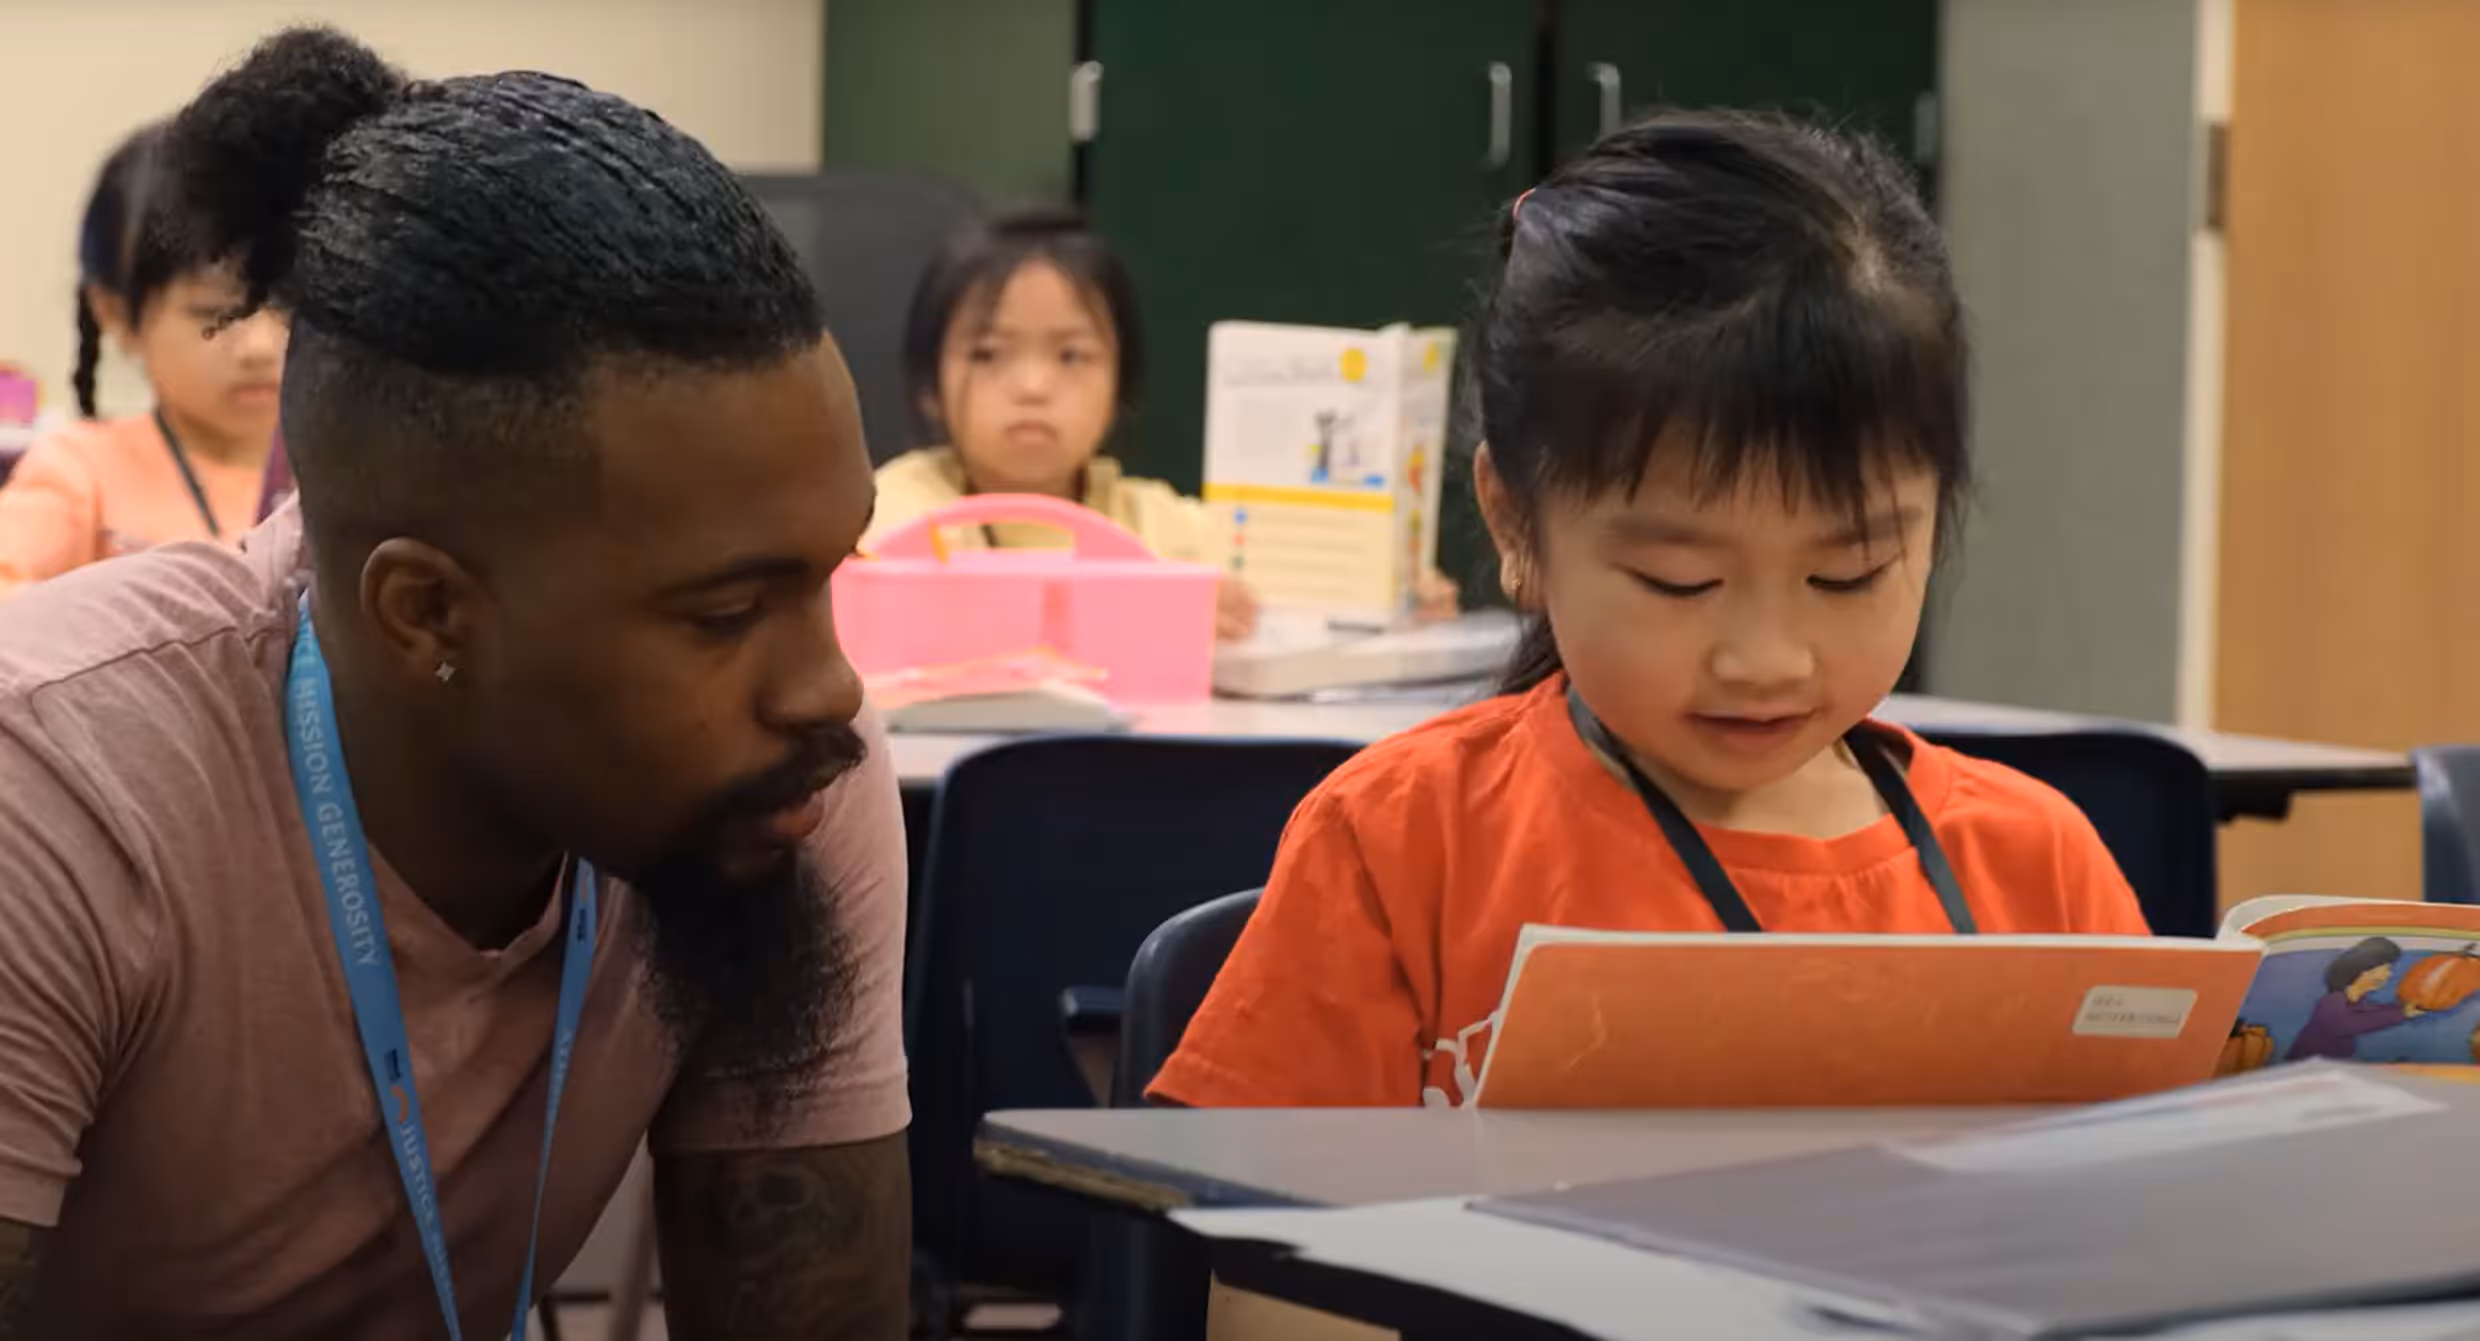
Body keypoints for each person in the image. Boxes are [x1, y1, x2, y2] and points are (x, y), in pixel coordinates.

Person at [0, 27, 907, 1339]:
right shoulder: (56, 792)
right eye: (724, 613)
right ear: (425, 610)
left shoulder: (785, 788)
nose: (827, 691)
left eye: (833, 570)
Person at [1149, 112, 2150, 1111]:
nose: (1765, 659)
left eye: (1848, 573)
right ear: (1515, 524)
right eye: (1679, 582)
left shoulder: (2035, 871)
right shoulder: (1403, 846)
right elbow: (1253, 1263)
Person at [867, 208, 1456, 641]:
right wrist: (1157, 612)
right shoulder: (897, 509)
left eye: (1071, 356)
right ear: (928, 387)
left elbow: (1289, 596)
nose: (1033, 386)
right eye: (989, 354)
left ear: (1119, 385)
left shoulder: (1159, 526)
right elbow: (887, 610)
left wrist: (1393, 594)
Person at [0, 122, 286, 597]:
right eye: (213, 314)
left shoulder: (357, 470)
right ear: (114, 313)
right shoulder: (82, 472)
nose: (260, 345)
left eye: (283, 305)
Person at [2287, 937, 2424, 1061]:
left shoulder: (2360, 1003)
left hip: (2332, 1066)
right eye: (2386, 968)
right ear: (2365, 969)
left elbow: (2376, 1012)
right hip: (2306, 1068)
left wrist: (2404, 1008)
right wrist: (2401, 1013)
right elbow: (2345, 1024)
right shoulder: (2332, 1001)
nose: (2389, 974)